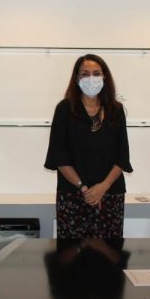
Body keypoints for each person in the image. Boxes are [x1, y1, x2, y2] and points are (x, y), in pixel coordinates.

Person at [44, 54, 133, 238]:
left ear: (104, 77)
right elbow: (59, 156)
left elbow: (122, 156)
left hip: (110, 194)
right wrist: (84, 189)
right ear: (77, 78)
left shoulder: (116, 110)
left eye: (96, 73)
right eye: (85, 74)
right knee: (71, 251)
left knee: (109, 251)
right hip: (73, 194)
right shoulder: (64, 109)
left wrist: (103, 187)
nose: (91, 78)